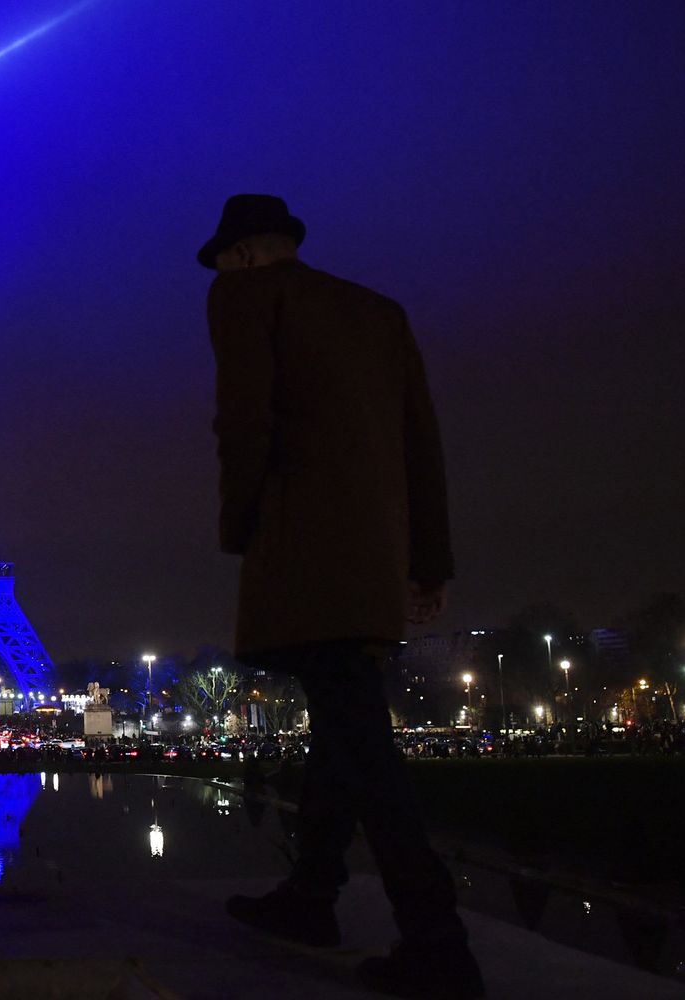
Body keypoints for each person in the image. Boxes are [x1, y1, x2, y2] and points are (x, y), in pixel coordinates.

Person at [199, 194, 483, 998]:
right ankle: (312, 895)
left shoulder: (245, 295)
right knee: (342, 718)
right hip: (371, 553)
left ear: (243, 254)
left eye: (222, 261)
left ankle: (436, 939)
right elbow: (421, 444)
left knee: (360, 739)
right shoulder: (379, 312)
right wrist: (429, 561)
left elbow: (242, 420)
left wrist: (239, 522)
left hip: (300, 542)